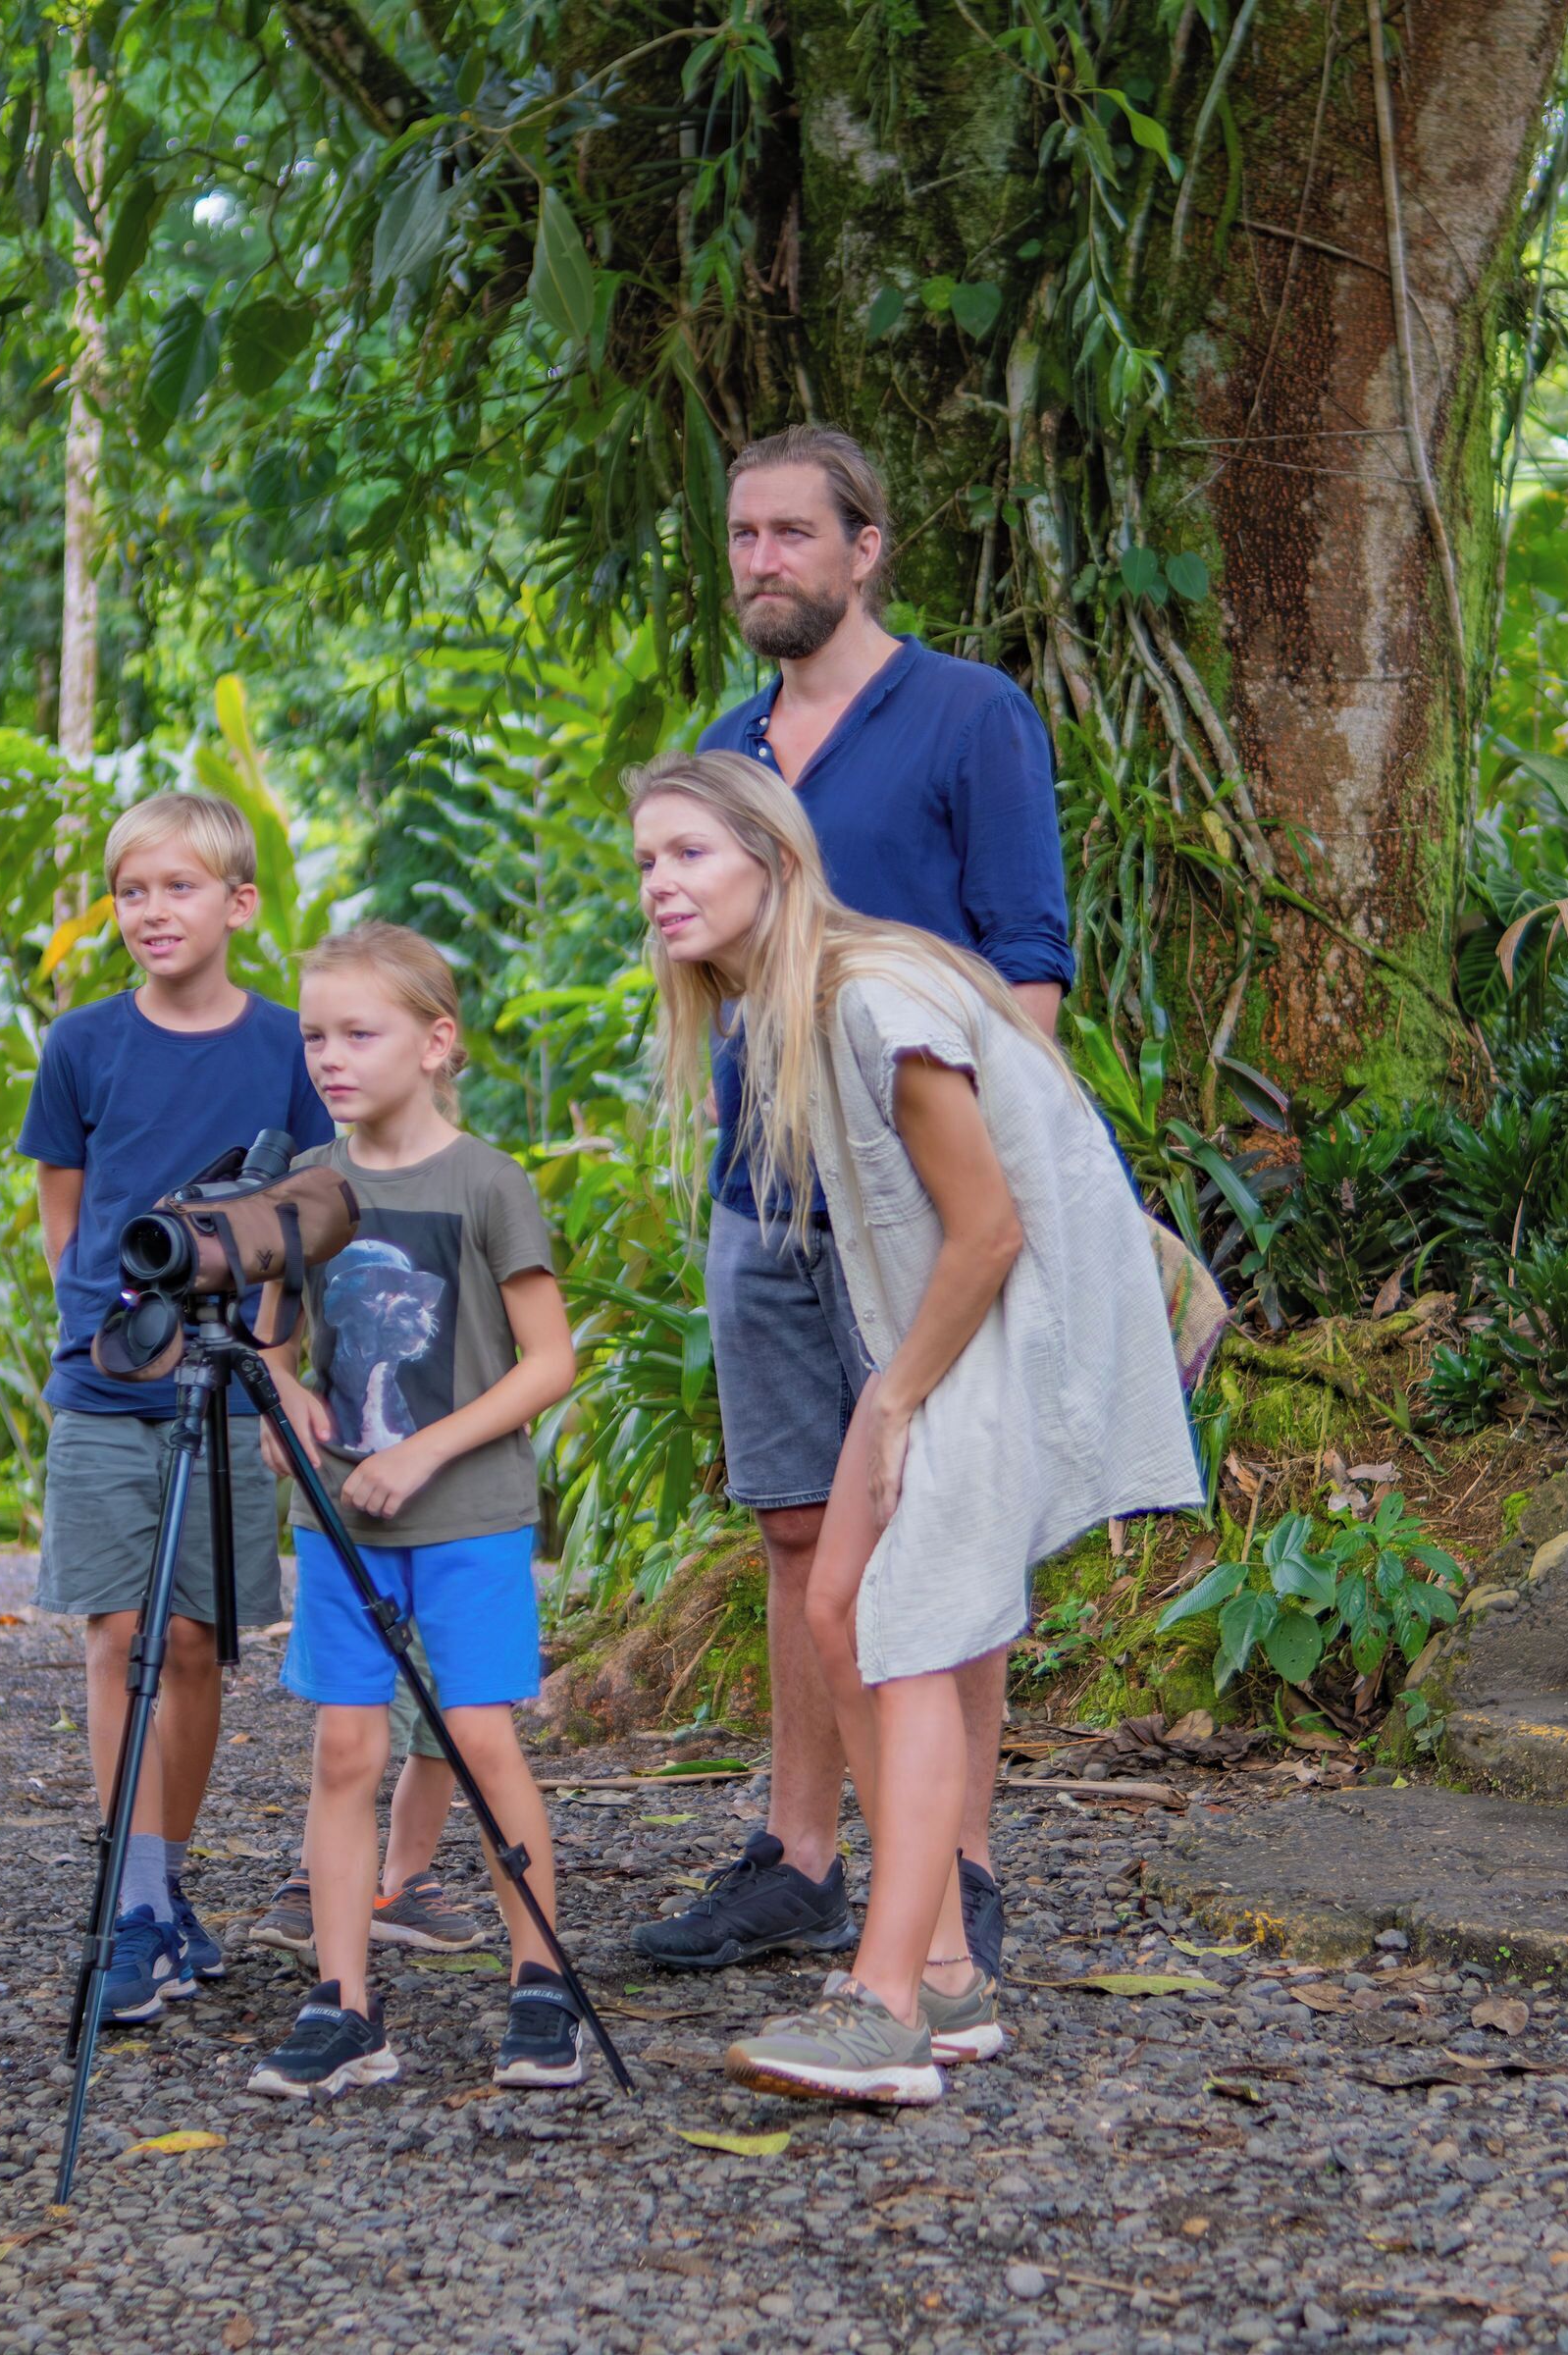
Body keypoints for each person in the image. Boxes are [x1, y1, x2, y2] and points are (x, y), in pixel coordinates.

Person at [627, 751, 1201, 2102]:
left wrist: (891, 1399)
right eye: (646, 860)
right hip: (945, 1316)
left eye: (691, 853)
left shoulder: (869, 996)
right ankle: (945, 1973)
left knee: (909, 1627)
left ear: (775, 859)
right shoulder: (779, 1011)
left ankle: (884, 2009)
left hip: (1015, 1311)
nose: (660, 883)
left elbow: (990, 1229)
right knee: (837, 1607)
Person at [633, 425, 1072, 1986]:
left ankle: (957, 1868)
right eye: (742, 536)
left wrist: (989, 1194)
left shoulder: (968, 714)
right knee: (797, 1525)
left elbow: (1027, 970)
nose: (762, 562)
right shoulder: (728, 744)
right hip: (761, 1194)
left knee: (942, 1521)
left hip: (917, 1198)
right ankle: (801, 1860)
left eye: (793, 534)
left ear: (866, 548)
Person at [17, 790, 332, 2023]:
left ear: (238, 904)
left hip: (230, 1381)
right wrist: (101, 1325)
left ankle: (166, 1878)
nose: (152, 911)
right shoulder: (82, 1045)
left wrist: (276, 1364)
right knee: (115, 1635)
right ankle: (135, 1905)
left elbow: (305, 1222)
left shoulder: (288, 1047)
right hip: (106, 1380)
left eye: (179, 888)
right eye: (131, 891)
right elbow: (66, 1211)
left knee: (196, 1641)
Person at [250, 924, 581, 2094]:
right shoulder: (307, 1181)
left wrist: (425, 1451)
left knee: (479, 1738)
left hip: (469, 1512)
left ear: (437, 1044)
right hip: (342, 1520)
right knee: (346, 1747)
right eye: (314, 1036)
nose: (331, 1058)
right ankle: (344, 2003)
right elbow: (274, 1336)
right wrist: (284, 1396)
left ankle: (540, 1981)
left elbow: (550, 1361)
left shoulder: (486, 1182)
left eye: (360, 1033)